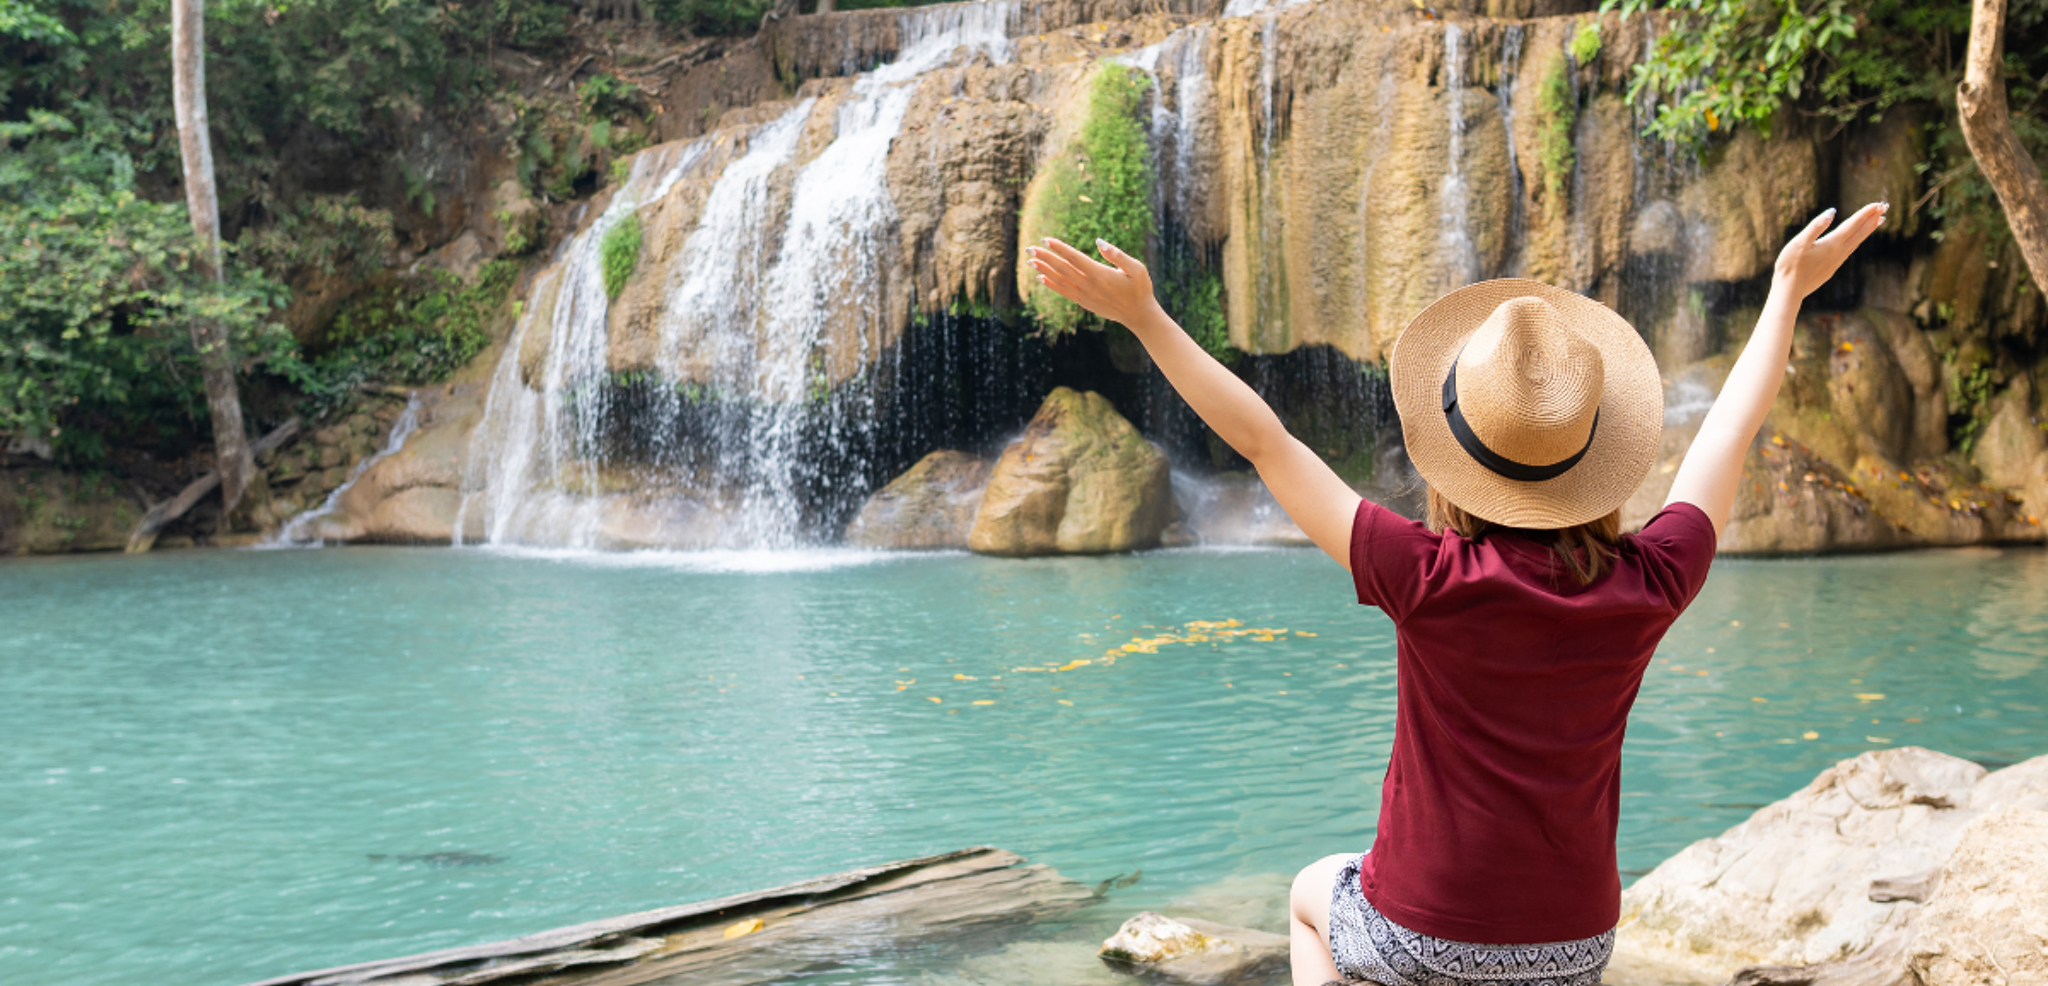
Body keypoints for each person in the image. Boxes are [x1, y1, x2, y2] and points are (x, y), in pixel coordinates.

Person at [1022, 199, 1887, 986]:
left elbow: (1263, 439)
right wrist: (1784, 295)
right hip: (1574, 946)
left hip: (1418, 934)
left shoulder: (1425, 574)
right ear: (1600, 458)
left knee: (1308, 892)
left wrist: (1144, 317)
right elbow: (1729, 434)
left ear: (1455, 459)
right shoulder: (1653, 578)